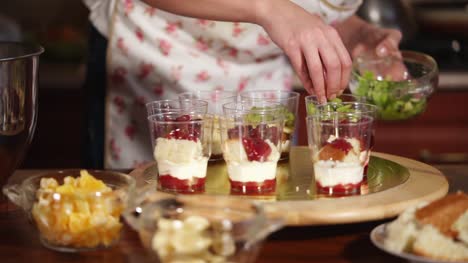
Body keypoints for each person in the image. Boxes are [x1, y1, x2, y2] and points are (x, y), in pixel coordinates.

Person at [82, 0, 403, 169]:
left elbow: (308, 7)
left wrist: (353, 32)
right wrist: (268, 8)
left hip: (264, 88)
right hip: (157, 62)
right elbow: (282, 10)